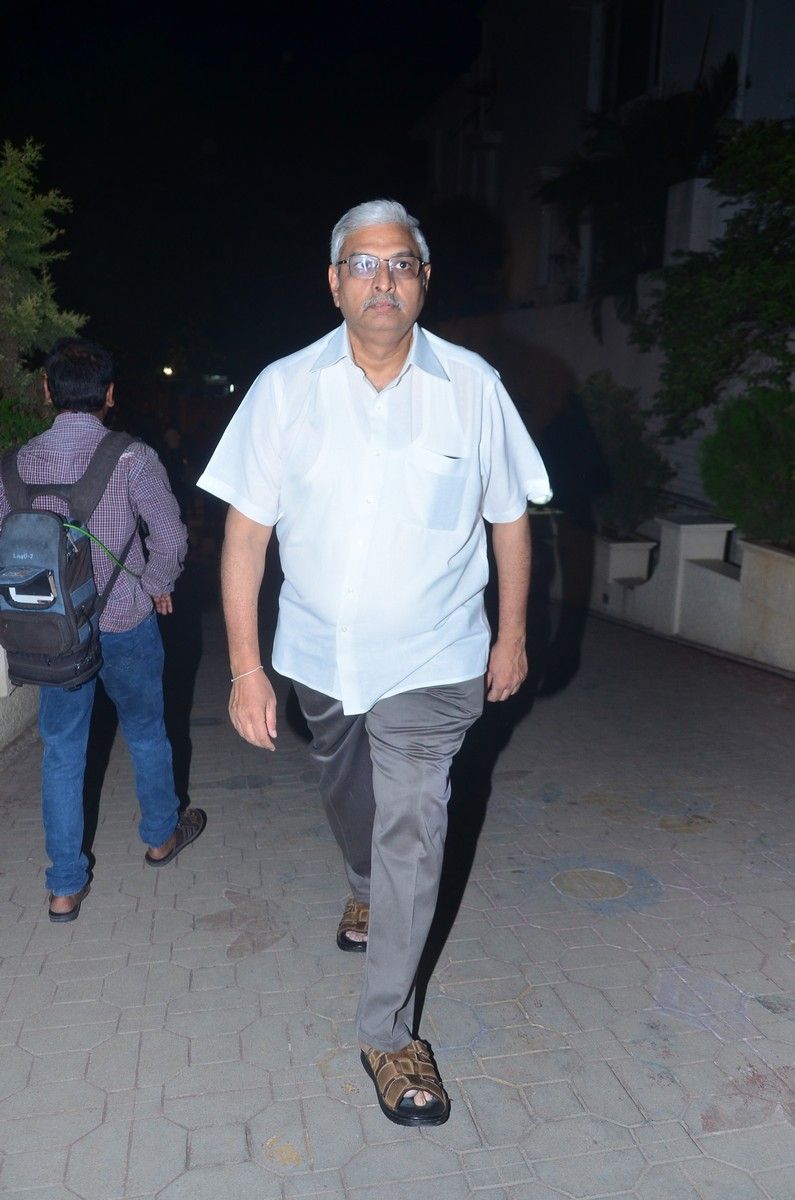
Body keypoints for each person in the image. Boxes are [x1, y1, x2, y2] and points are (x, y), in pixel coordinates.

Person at [196, 199, 551, 1126]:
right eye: (362, 264)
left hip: (435, 661)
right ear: (333, 283)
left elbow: (510, 515)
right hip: (317, 657)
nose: (381, 280)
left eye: (400, 264)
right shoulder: (284, 388)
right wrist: (244, 666)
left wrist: (510, 633)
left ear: (423, 282)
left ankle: (388, 1036)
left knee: (409, 824)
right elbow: (245, 534)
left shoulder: (472, 385)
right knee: (346, 794)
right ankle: (363, 891)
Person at [0, 338, 207, 923]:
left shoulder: (14, 466)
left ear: (46, 390)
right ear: (110, 395)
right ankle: (162, 835)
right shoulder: (132, 458)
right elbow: (170, 535)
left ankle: (65, 886)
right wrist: (156, 582)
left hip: (52, 636)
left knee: (62, 752)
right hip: (126, 624)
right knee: (146, 732)